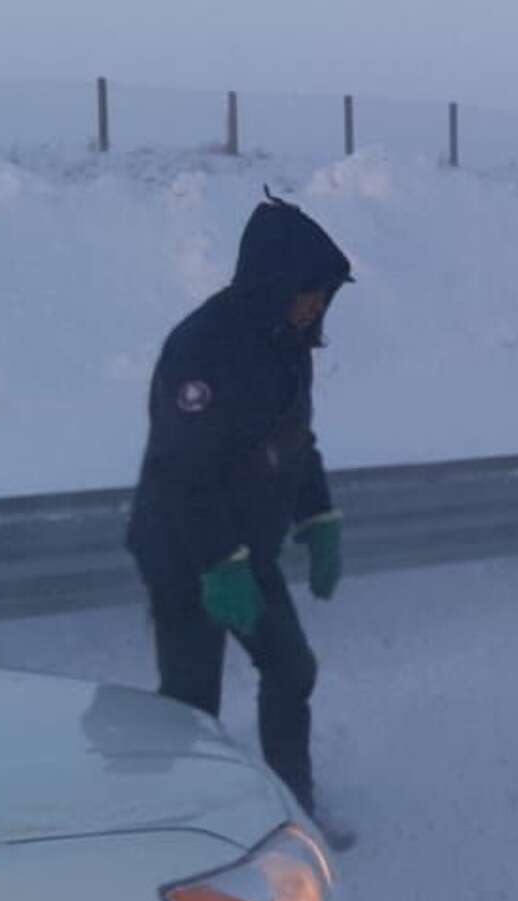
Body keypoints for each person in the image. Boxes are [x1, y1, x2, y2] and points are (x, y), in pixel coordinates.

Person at [127, 193, 355, 845]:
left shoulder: (289, 345)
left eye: (325, 296)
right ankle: (182, 828)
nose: (318, 307)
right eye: (312, 292)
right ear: (276, 282)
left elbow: (295, 440)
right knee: (192, 700)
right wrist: (217, 564)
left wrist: (318, 514)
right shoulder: (202, 350)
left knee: (292, 669)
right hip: (183, 552)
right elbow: (180, 472)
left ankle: (292, 810)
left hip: (245, 550)